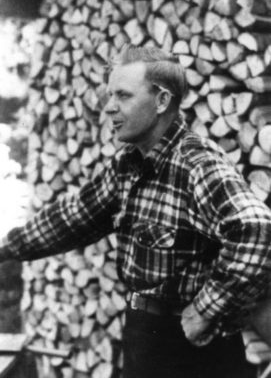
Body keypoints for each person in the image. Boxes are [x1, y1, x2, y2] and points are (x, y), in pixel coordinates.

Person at [0, 44, 271, 378]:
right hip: (145, 337)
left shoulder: (197, 164)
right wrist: (5, 249)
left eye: (123, 96)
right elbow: (72, 218)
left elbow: (256, 228)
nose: (109, 107)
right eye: (110, 95)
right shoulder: (128, 165)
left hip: (192, 351)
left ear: (161, 101)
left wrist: (206, 309)